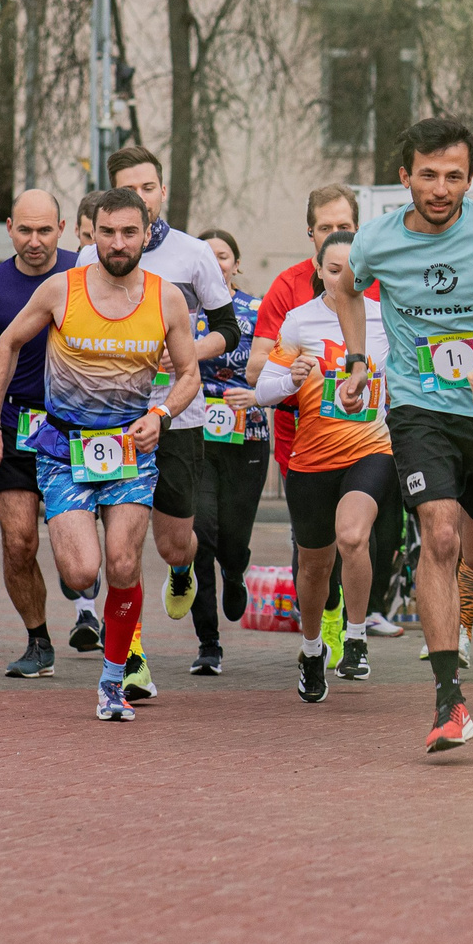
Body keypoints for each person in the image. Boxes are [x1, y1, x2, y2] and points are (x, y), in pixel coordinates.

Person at [349, 117, 473, 752]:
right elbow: (346, 288)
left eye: (454, 176)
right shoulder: (375, 240)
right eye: (428, 175)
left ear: (470, 178)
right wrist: (360, 360)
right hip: (417, 405)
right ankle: (448, 699)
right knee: (438, 532)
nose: (441, 189)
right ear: (405, 175)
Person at [0, 187, 202, 721]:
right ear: (89, 234)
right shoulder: (61, 290)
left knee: (124, 563)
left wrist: (161, 415)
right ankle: (100, 617)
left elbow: (190, 373)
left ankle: (113, 680)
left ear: (147, 234)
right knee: (81, 573)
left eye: (129, 232)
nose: (118, 243)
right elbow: (4, 344)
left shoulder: (166, 298)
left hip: (129, 448)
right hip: (62, 448)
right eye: (107, 232)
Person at [85, 146, 242, 704]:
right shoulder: (91, 258)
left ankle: (183, 569)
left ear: (161, 192)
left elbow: (229, 328)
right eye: (130, 189)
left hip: (179, 413)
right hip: (112, 419)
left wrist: (183, 354)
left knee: (173, 544)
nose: (142, 198)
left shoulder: (193, 254)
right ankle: (131, 659)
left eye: (150, 188)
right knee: (120, 547)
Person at [253, 230, 395, 701]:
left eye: (352, 271)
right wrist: (288, 378)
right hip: (311, 459)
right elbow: (264, 389)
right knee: (314, 565)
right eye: (334, 270)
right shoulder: (298, 322)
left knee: (354, 535)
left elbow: (406, 378)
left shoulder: (383, 318)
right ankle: (312, 650)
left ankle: (355, 638)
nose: (343, 279)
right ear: (317, 270)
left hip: (370, 449)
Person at [0, 189, 74, 678]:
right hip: (13, 427)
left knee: (80, 556)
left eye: (44, 230)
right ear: (9, 228)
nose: (34, 241)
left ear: (62, 228)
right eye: (25, 230)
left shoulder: (83, 274)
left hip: (77, 426)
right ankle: (38, 641)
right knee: (20, 542)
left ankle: (83, 590)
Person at [188, 226, 272, 675]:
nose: (217, 263)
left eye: (223, 255)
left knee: (233, 537)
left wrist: (254, 392)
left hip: (249, 435)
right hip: (195, 435)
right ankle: (208, 642)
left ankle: (236, 570)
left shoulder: (256, 310)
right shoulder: (181, 309)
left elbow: (274, 366)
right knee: (199, 533)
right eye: (207, 256)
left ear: (236, 263)